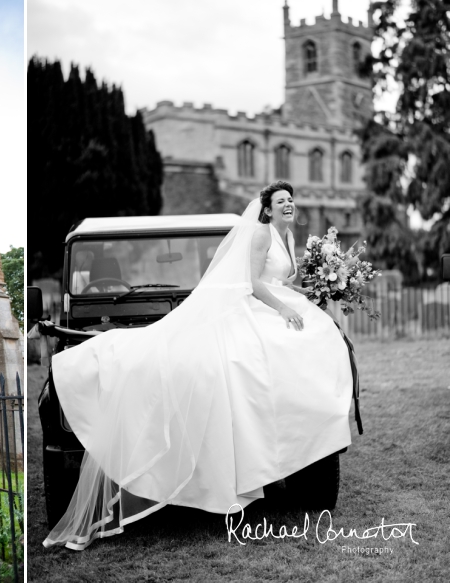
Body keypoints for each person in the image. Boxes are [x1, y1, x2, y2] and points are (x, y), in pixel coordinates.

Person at [43, 181, 353, 550]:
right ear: (266, 209)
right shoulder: (258, 235)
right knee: (238, 362)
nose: (288, 204)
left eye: (291, 199)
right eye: (280, 201)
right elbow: (255, 283)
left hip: (262, 309)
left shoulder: (284, 236)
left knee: (283, 363)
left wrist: (317, 290)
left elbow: (278, 281)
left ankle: (293, 437)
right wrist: (285, 307)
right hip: (250, 308)